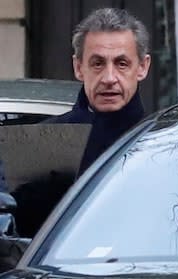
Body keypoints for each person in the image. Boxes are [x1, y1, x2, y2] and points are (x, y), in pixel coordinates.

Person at [45, 8, 151, 176]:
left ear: (142, 67)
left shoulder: (163, 143)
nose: (109, 78)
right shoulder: (44, 142)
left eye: (121, 64)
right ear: (78, 68)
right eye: (98, 64)